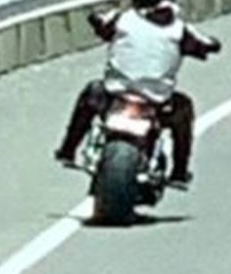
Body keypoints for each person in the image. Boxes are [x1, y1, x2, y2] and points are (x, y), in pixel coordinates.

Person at [54, 0, 221, 189]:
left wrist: (97, 19)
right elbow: (207, 44)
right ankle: (179, 173)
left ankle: (68, 150)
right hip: (156, 100)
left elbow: (98, 21)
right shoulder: (180, 30)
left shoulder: (122, 19)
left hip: (115, 92)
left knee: (90, 93)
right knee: (183, 108)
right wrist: (210, 46)